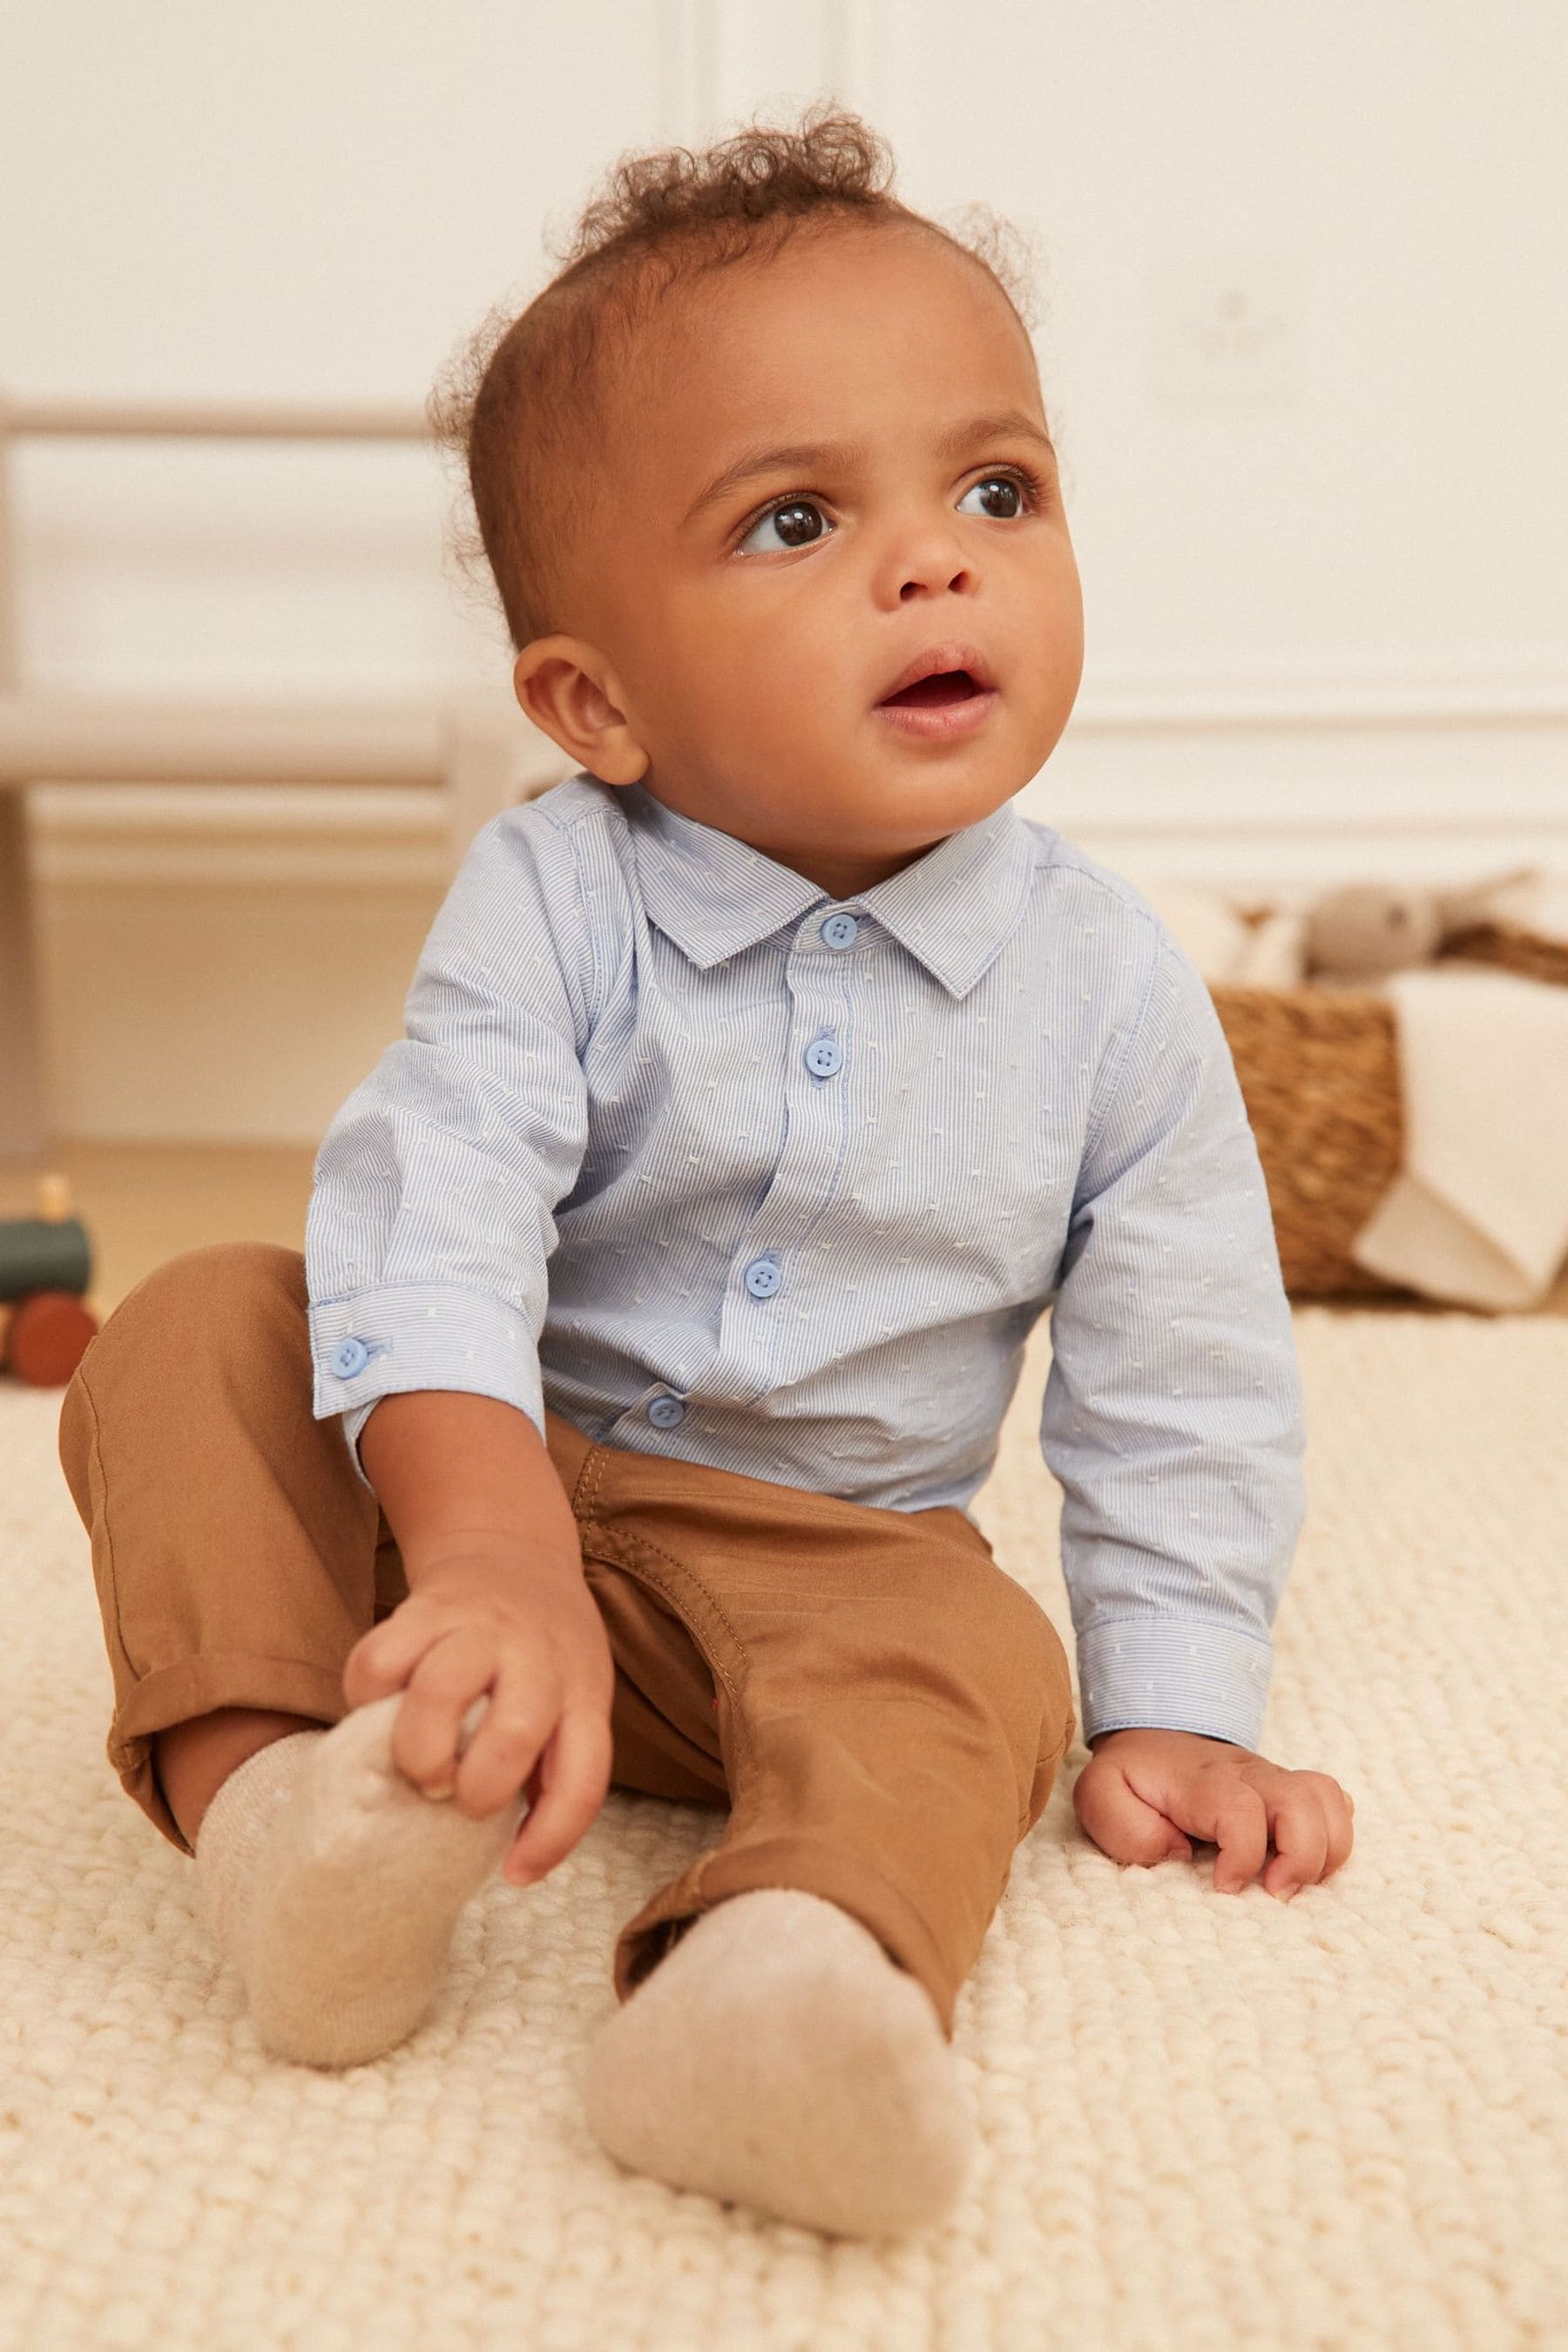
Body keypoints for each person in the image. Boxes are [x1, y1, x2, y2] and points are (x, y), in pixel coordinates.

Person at [59, 103, 1354, 2239]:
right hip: (479, 1506)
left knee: (985, 1669)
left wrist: (1186, 1710)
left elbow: (1185, 1373)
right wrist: (484, 1553)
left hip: (837, 1560)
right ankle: (288, 1826)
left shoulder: (1114, 990)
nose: (937, 560)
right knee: (201, 1321)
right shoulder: (558, 896)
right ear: (596, 703)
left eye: (997, 488)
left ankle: (790, 1973)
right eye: (791, 522)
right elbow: (444, 1201)